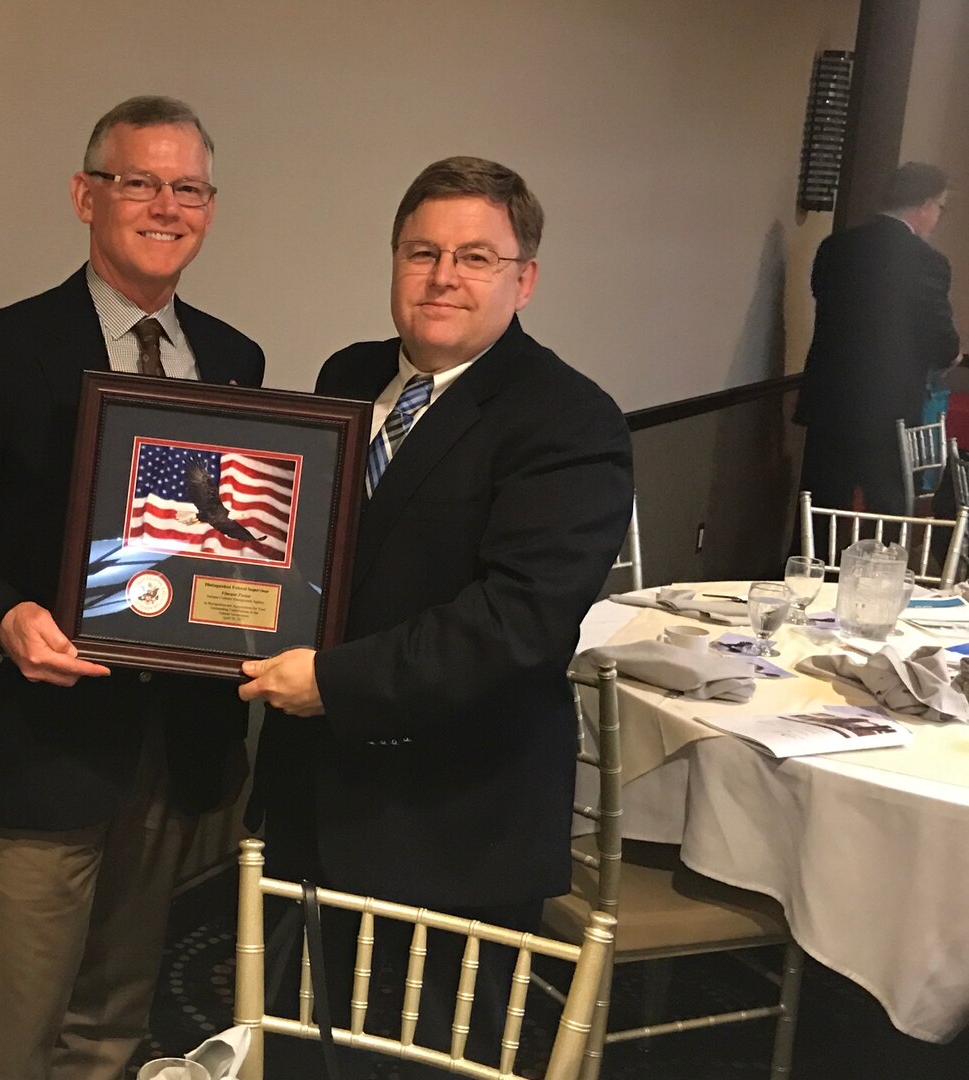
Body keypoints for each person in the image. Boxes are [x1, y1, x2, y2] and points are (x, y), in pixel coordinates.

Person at [0, 96, 265, 1080]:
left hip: (174, 747)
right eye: (139, 181)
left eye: (187, 188)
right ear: (84, 195)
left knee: (110, 1027)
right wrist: (4, 617)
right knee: (3, 1039)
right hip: (41, 741)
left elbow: (230, 539)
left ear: (210, 210)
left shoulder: (232, 359)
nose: (164, 205)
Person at [239, 157, 633, 1074]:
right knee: (302, 1045)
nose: (442, 275)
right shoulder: (349, 374)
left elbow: (515, 622)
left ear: (523, 278)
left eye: (475, 256)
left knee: (423, 1063)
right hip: (310, 800)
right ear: (393, 262)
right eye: (421, 251)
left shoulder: (569, 419)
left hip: (450, 826)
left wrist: (330, 682)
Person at [795, 162, 959, 516]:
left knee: (820, 509)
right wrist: (954, 353)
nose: (937, 218)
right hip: (890, 409)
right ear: (925, 204)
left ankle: (810, 568)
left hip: (830, 401)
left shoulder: (835, 247)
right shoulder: (927, 262)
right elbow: (939, 340)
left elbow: (822, 299)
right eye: (940, 208)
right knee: (887, 512)